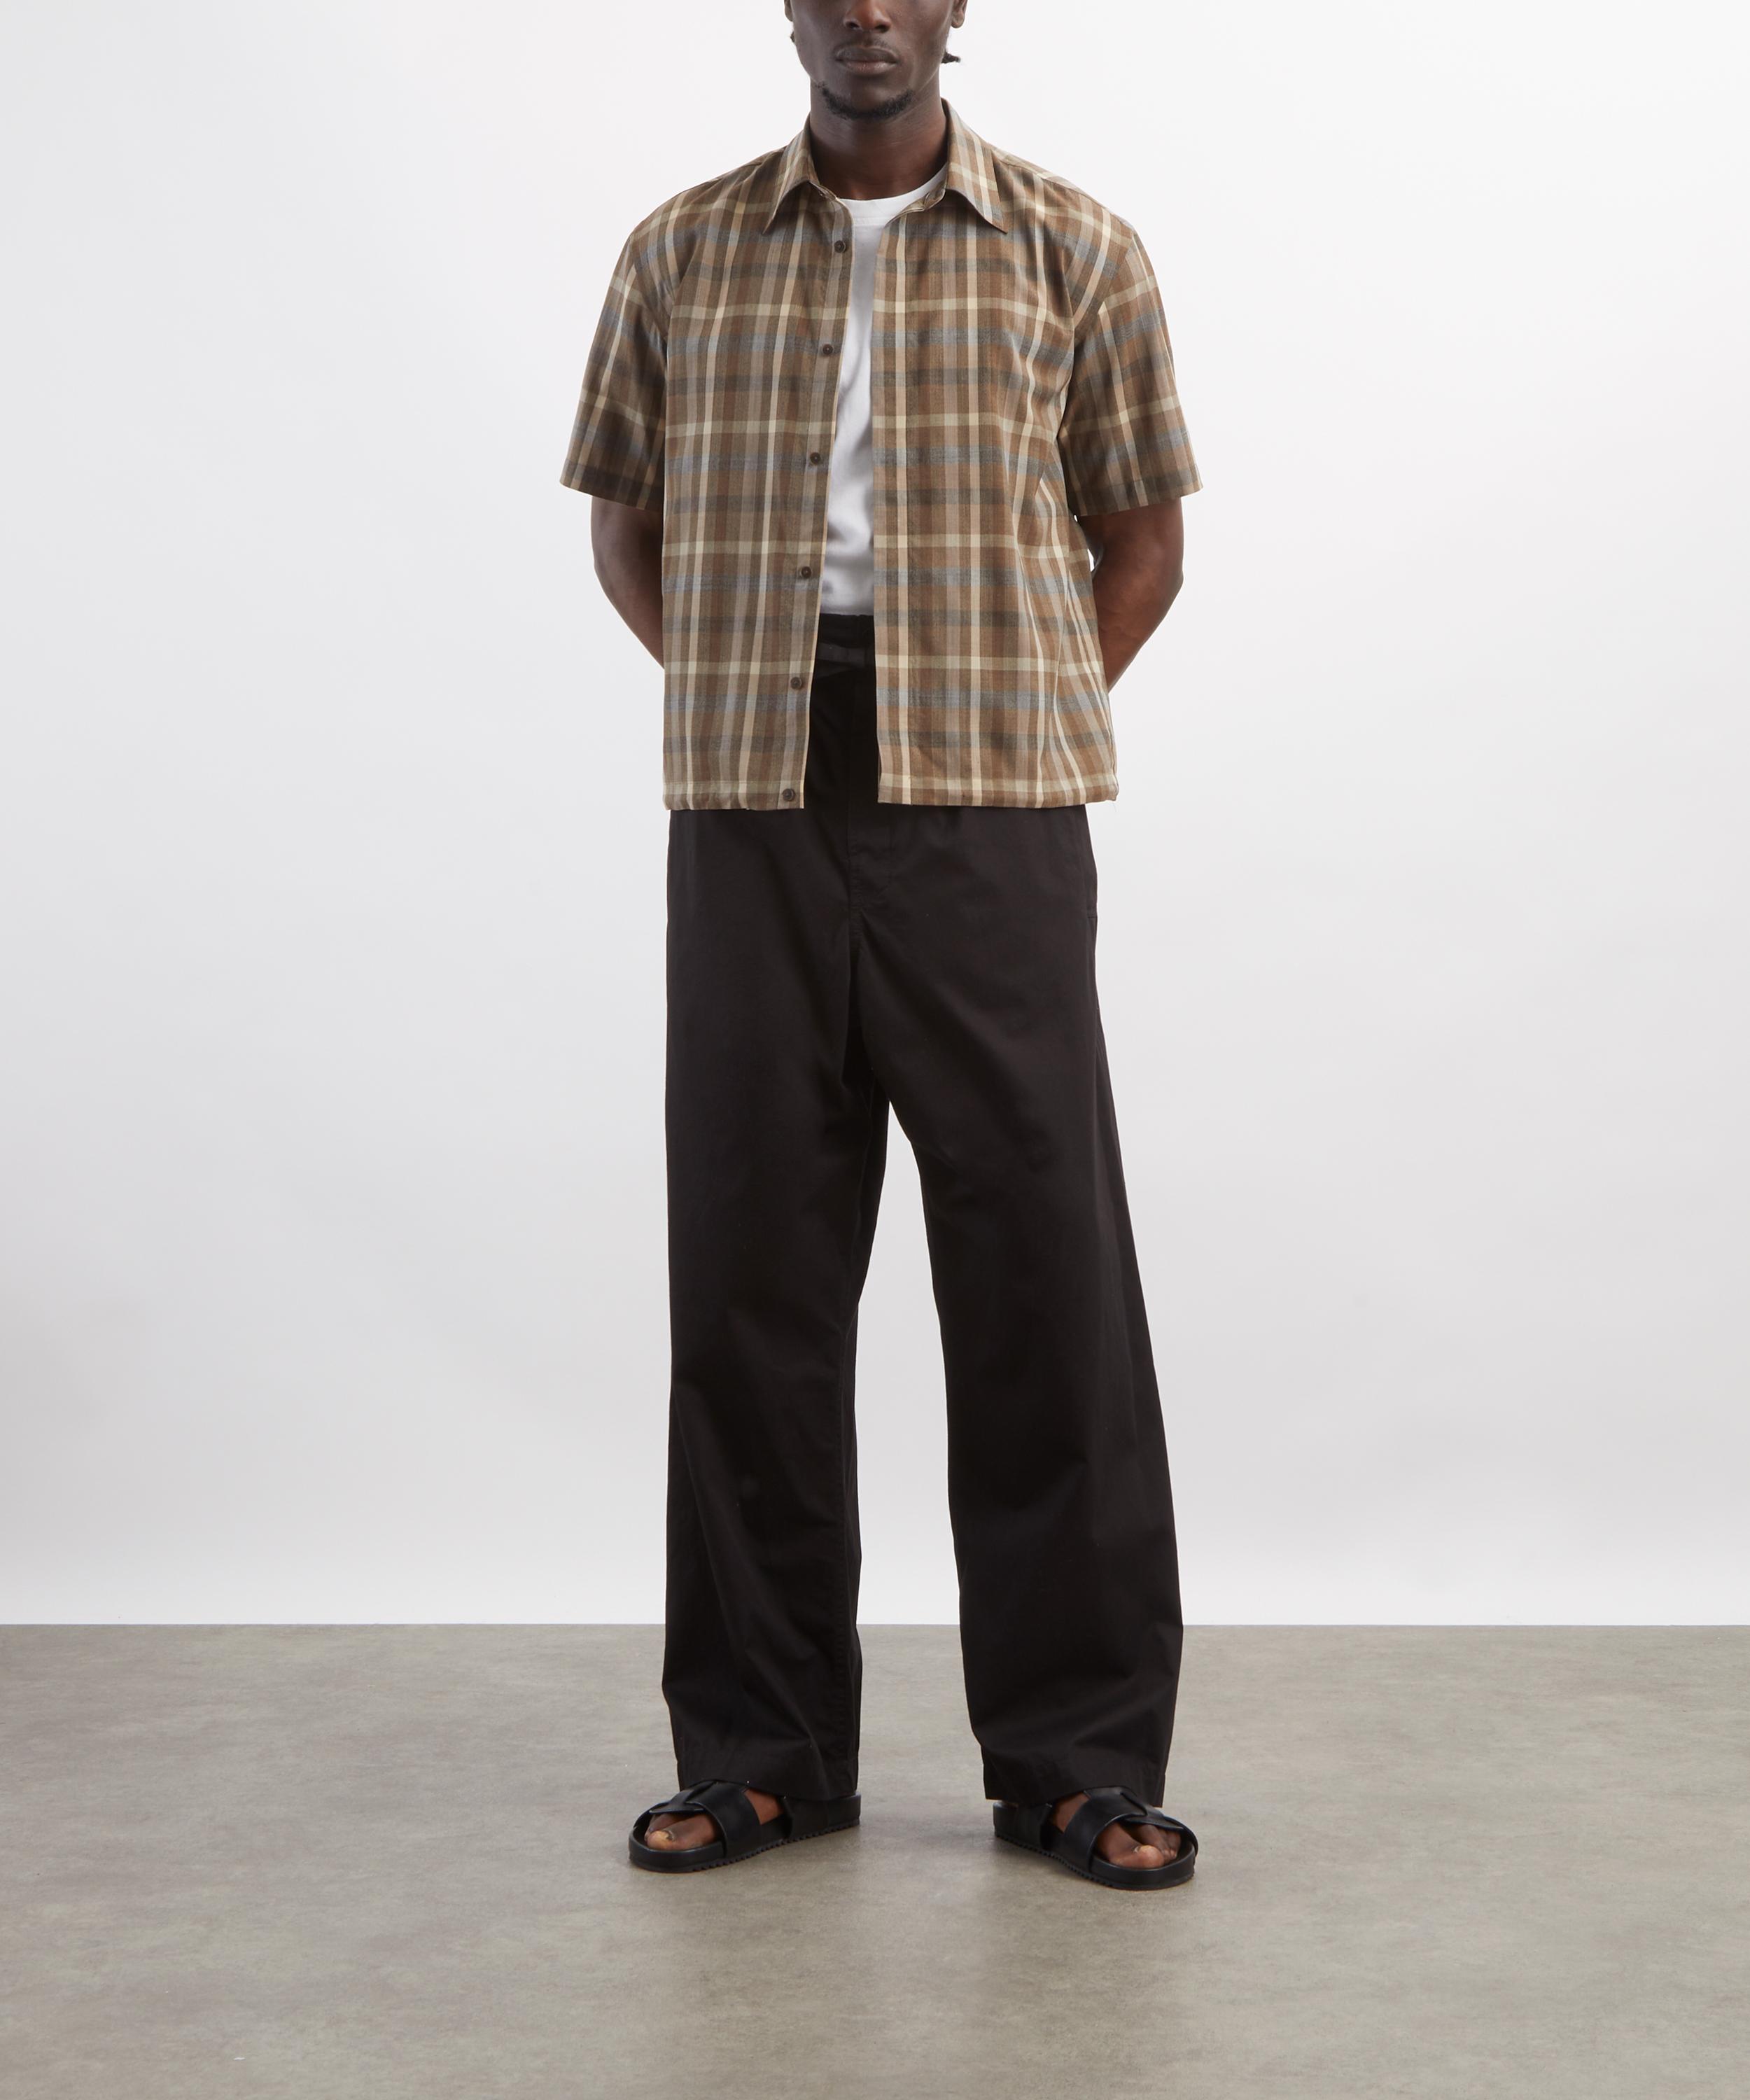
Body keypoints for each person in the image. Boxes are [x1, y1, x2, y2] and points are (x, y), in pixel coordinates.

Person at [564, 0, 1203, 1891]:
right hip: (750, 804)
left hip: (990, 809)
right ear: (787, 9)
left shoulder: (1074, 245)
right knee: (748, 1272)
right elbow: (624, 525)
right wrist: (746, 689)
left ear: (951, 11)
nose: (865, 11)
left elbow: (1144, 537)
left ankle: (1078, 1761)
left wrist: (1016, 713)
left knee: (1042, 1273)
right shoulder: (680, 248)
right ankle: (761, 1753)